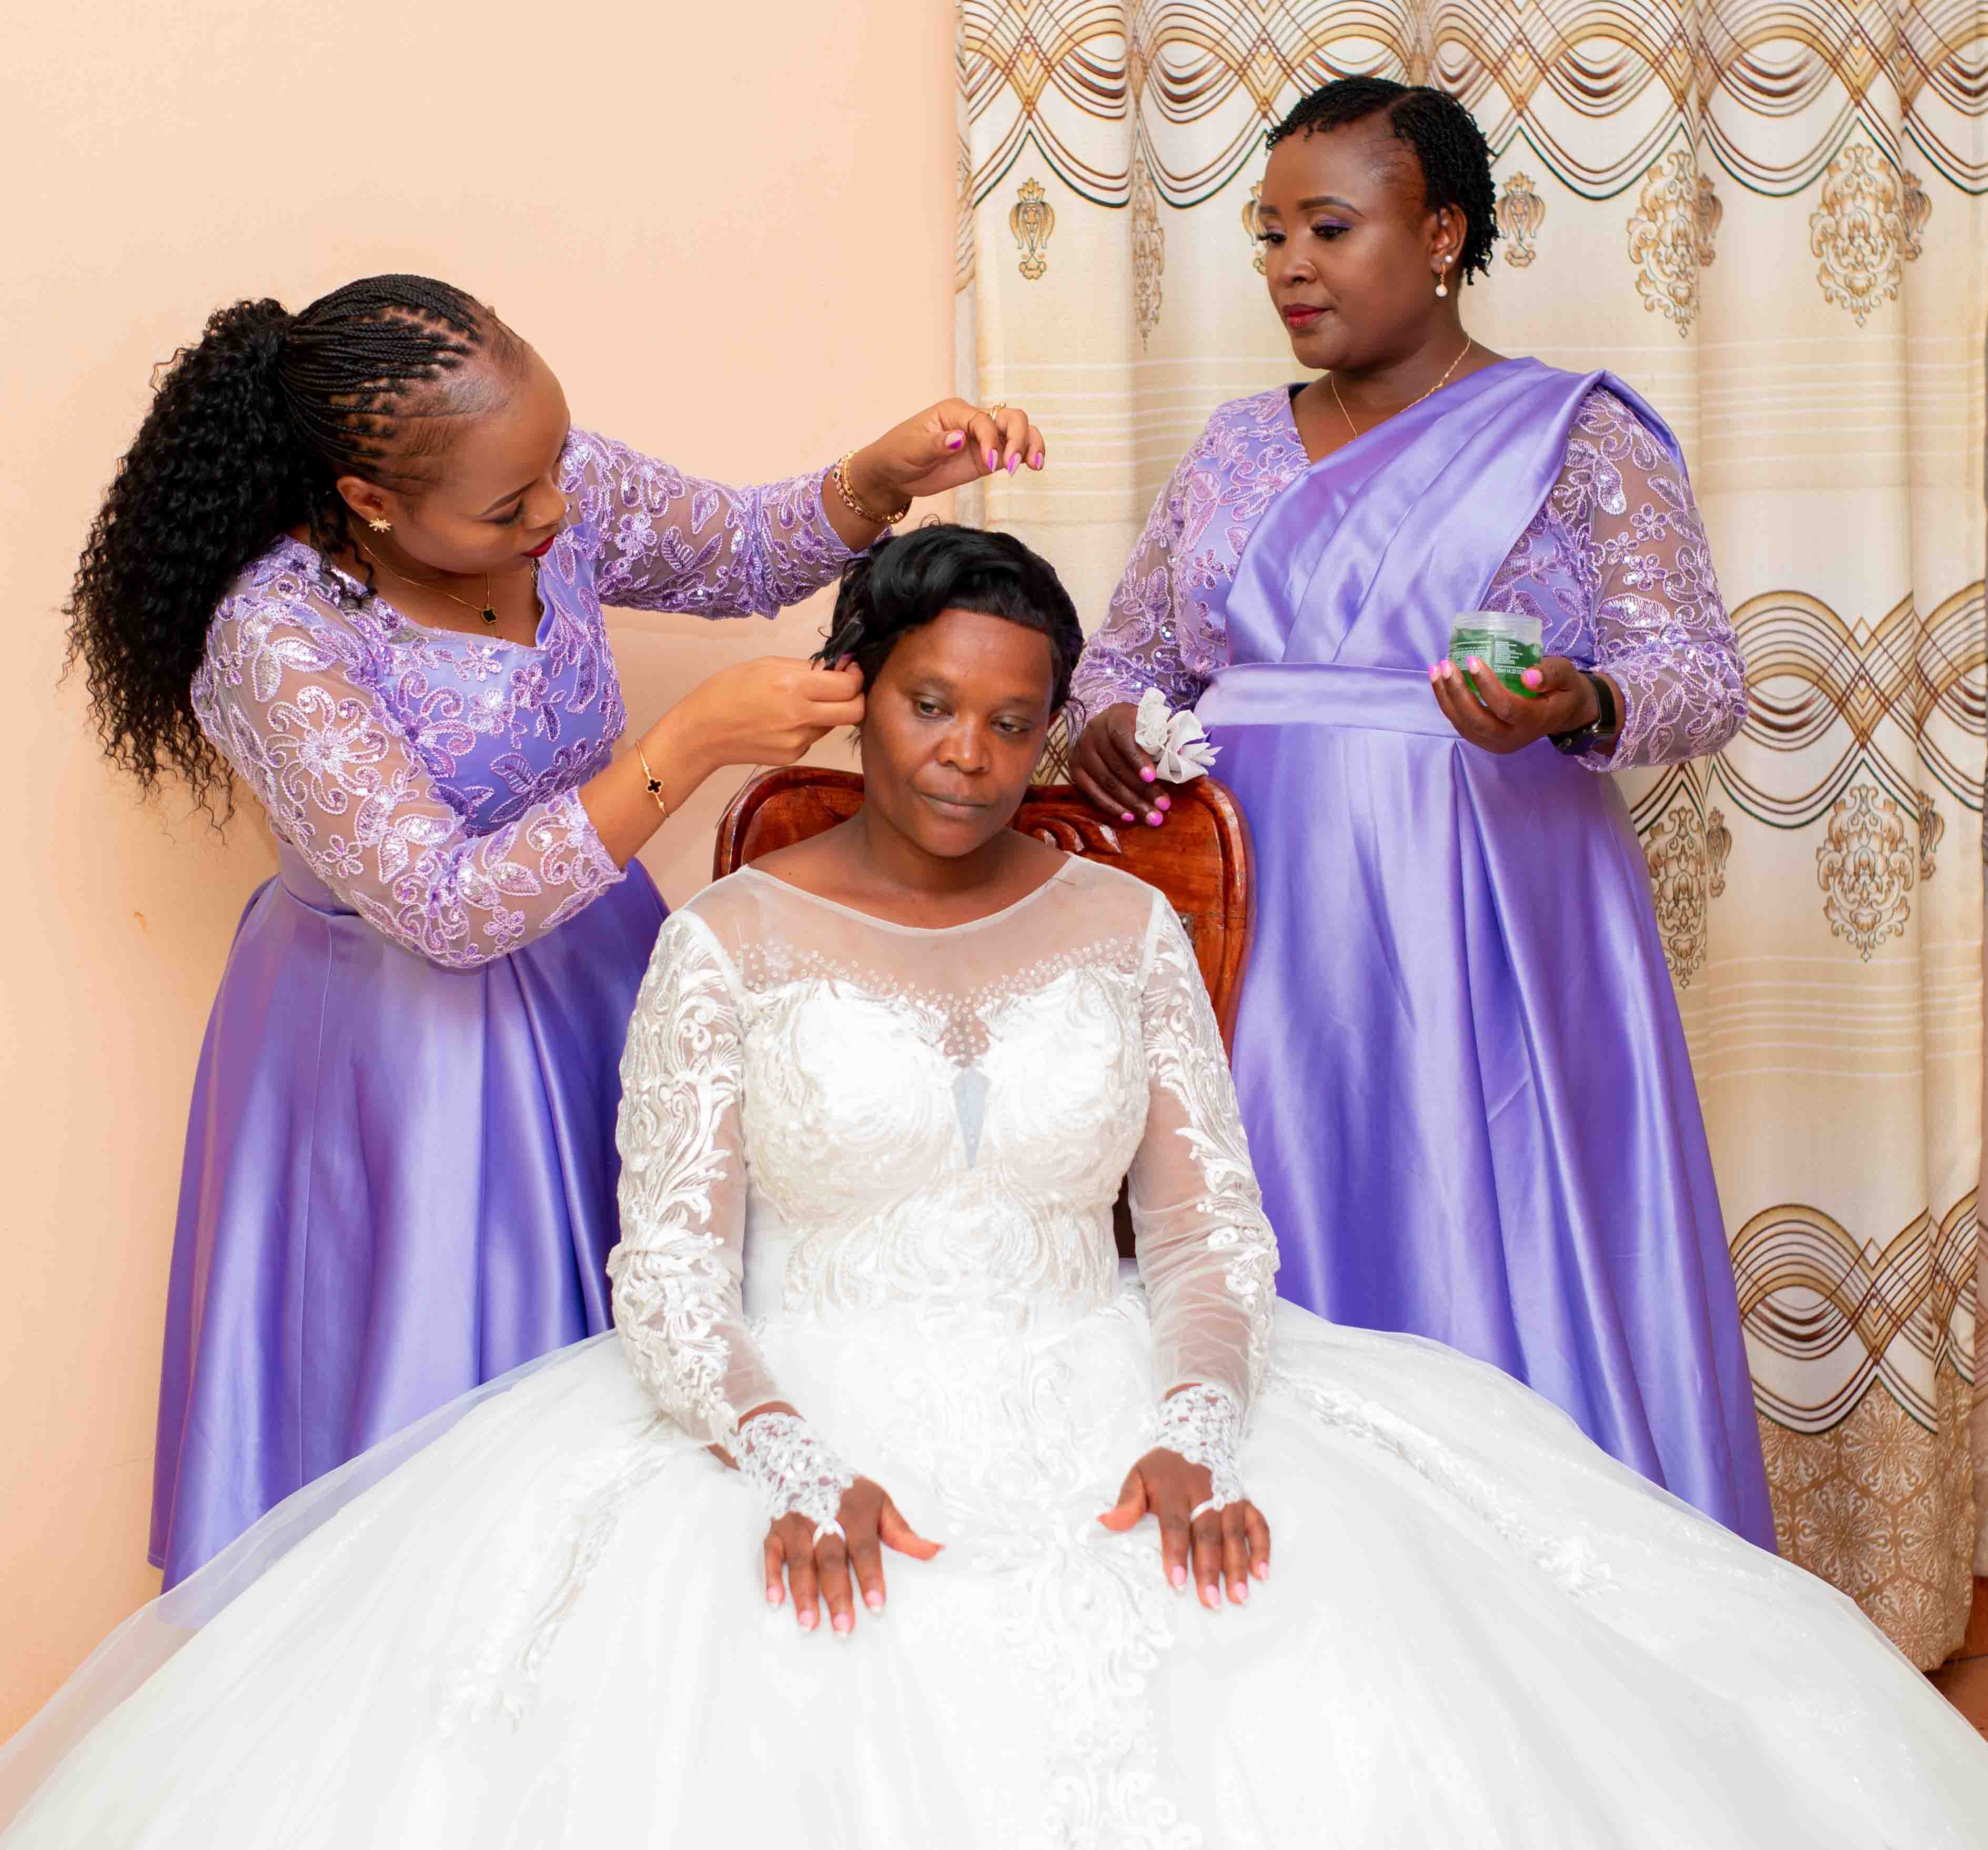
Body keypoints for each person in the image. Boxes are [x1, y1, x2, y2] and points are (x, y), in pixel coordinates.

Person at [4, 524, 1984, 1847]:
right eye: (928, 703)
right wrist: (786, 1462)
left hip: (1112, 1382)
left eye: (1015, 718)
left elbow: (1211, 1226)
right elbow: (672, 1266)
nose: (966, 755)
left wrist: (1201, 1422)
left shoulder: (1124, 924)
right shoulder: (729, 941)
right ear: (853, 691)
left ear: (1058, 729)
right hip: (792, 1411)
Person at [64, 273, 1046, 1585]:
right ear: (368, 502)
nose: (559, 512)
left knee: (662, 1369)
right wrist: (687, 743)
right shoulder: (276, 636)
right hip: (401, 1050)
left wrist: (880, 472)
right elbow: (443, 907)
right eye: (512, 503)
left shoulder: (545, 483)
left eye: (555, 468)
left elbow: (740, 548)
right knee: (451, 1461)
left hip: (602, 980)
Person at [1067, 79, 1774, 1546]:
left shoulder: (1574, 438)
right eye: (1268, 235)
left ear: (1440, 231)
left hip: (1482, 922)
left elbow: (1702, 676)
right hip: (1251, 922)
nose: (1289, 267)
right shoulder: (1233, 449)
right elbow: (1120, 660)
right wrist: (1110, 728)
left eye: (1329, 227)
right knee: (1260, 1240)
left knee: (1474, 1232)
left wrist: (1574, 700)